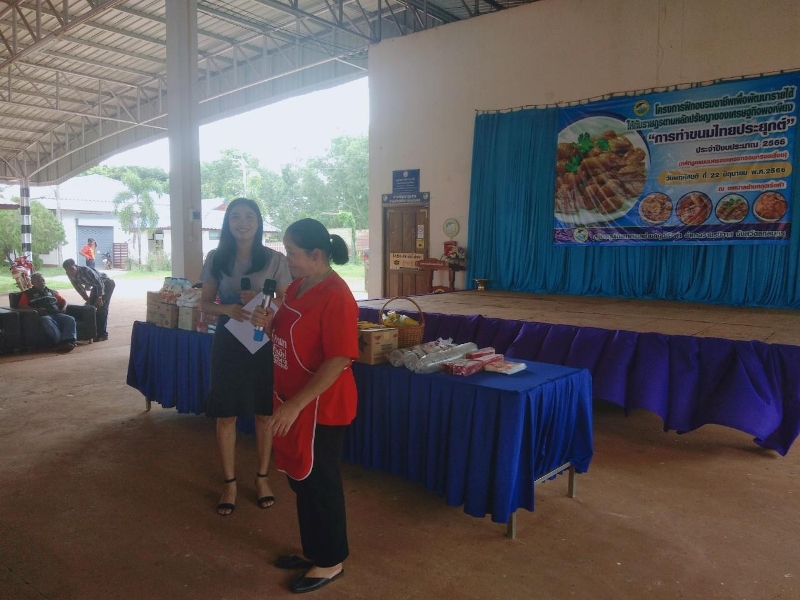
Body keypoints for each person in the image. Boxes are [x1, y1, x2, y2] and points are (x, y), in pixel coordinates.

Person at [251, 218, 358, 595]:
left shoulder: (337, 295)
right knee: (301, 479)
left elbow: (338, 358)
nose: (287, 259)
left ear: (315, 254)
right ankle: (315, 550)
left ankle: (331, 561)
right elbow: (288, 334)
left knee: (320, 483)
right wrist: (268, 324)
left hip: (320, 407)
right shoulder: (297, 286)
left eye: (291, 252)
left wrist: (296, 405)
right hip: (293, 401)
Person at [199, 198, 292, 517]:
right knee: (226, 414)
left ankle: (262, 478)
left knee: (264, 413)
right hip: (228, 341)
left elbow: (287, 301)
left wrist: (264, 301)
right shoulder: (216, 258)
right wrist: (228, 308)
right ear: (227, 223)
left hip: (262, 341)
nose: (242, 222)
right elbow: (204, 303)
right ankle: (230, 483)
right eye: (236, 217)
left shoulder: (275, 259)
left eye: (249, 217)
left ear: (258, 222)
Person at [17, 272, 78, 353]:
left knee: (70, 319)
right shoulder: (27, 293)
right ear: (32, 283)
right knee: (46, 320)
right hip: (43, 315)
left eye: (43, 280)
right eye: (38, 281)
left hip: (56, 313)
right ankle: (60, 343)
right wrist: (36, 309)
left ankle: (69, 341)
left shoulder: (51, 292)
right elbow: (21, 306)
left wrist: (63, 308)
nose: (42, 282)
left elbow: (63, 301)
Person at [62, 258, 115, 342]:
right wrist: (87, 299)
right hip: (95, 286)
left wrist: (100, 298)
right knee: (90, 308)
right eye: (67, 270)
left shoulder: (86, 270)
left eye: (72, 269)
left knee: (101, 308)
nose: (70, 272)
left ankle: (102, 334)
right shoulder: (70, 274)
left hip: (106, 283)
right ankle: (93, 333)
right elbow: (78, 288)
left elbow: (99, 282)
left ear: (76, 266)